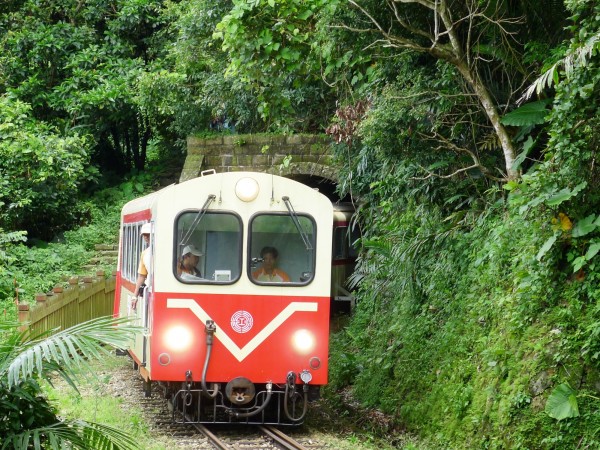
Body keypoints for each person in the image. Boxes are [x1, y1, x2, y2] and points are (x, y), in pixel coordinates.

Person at [133, 222, 152, 310]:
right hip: (149, 292)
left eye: (148, 234)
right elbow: (142, 276)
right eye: (144, 235)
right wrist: (135, 296)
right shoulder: (145, 254)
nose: (146, 237)